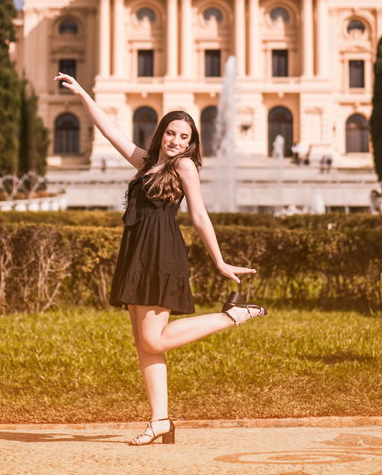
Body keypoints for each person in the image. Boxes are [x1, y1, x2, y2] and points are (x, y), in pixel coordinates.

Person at [55, 73, 267, 446]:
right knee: (144, 342)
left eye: (185, 137)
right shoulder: (146, 162)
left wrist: (219, 261)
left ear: (191, 143)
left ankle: (231, 316)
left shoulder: (184, 166)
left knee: (153, 340)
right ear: (162, 132)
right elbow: (111, 132)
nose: (176, 141)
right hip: (137, 251)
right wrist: (84, 94)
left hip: (161, 253)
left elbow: (199, 215)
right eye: (172, 133)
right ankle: (160, 421)